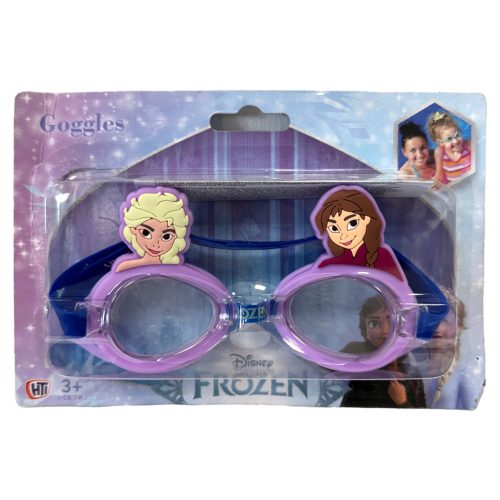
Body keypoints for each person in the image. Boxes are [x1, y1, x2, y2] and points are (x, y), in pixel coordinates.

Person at [340, 295, 427, 408]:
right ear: (365, 330)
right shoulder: (357, 355)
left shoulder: (410, 370)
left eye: (391, 322)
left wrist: (402, 402)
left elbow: (421, 412)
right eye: (374, 324)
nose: (384, 331)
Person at [311, 186, 405, 282]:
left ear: (367, 219)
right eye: (334, 228)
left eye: (352, 223)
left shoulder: (381, 256)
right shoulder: (326, 265)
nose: (343, 236)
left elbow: (397, 287)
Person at [115, 188, 191, 272]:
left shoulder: (177, 270)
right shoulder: (125, 268)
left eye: (166, 236)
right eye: (146, 233)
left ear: (177, 237)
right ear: (133, 230)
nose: (156, 245)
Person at [427, 111, 472, 183]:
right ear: (441, 142)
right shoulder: (439, 152)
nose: (455, 141)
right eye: (449, 139)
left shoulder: (468, 145)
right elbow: (439, 174)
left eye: (457, 135)